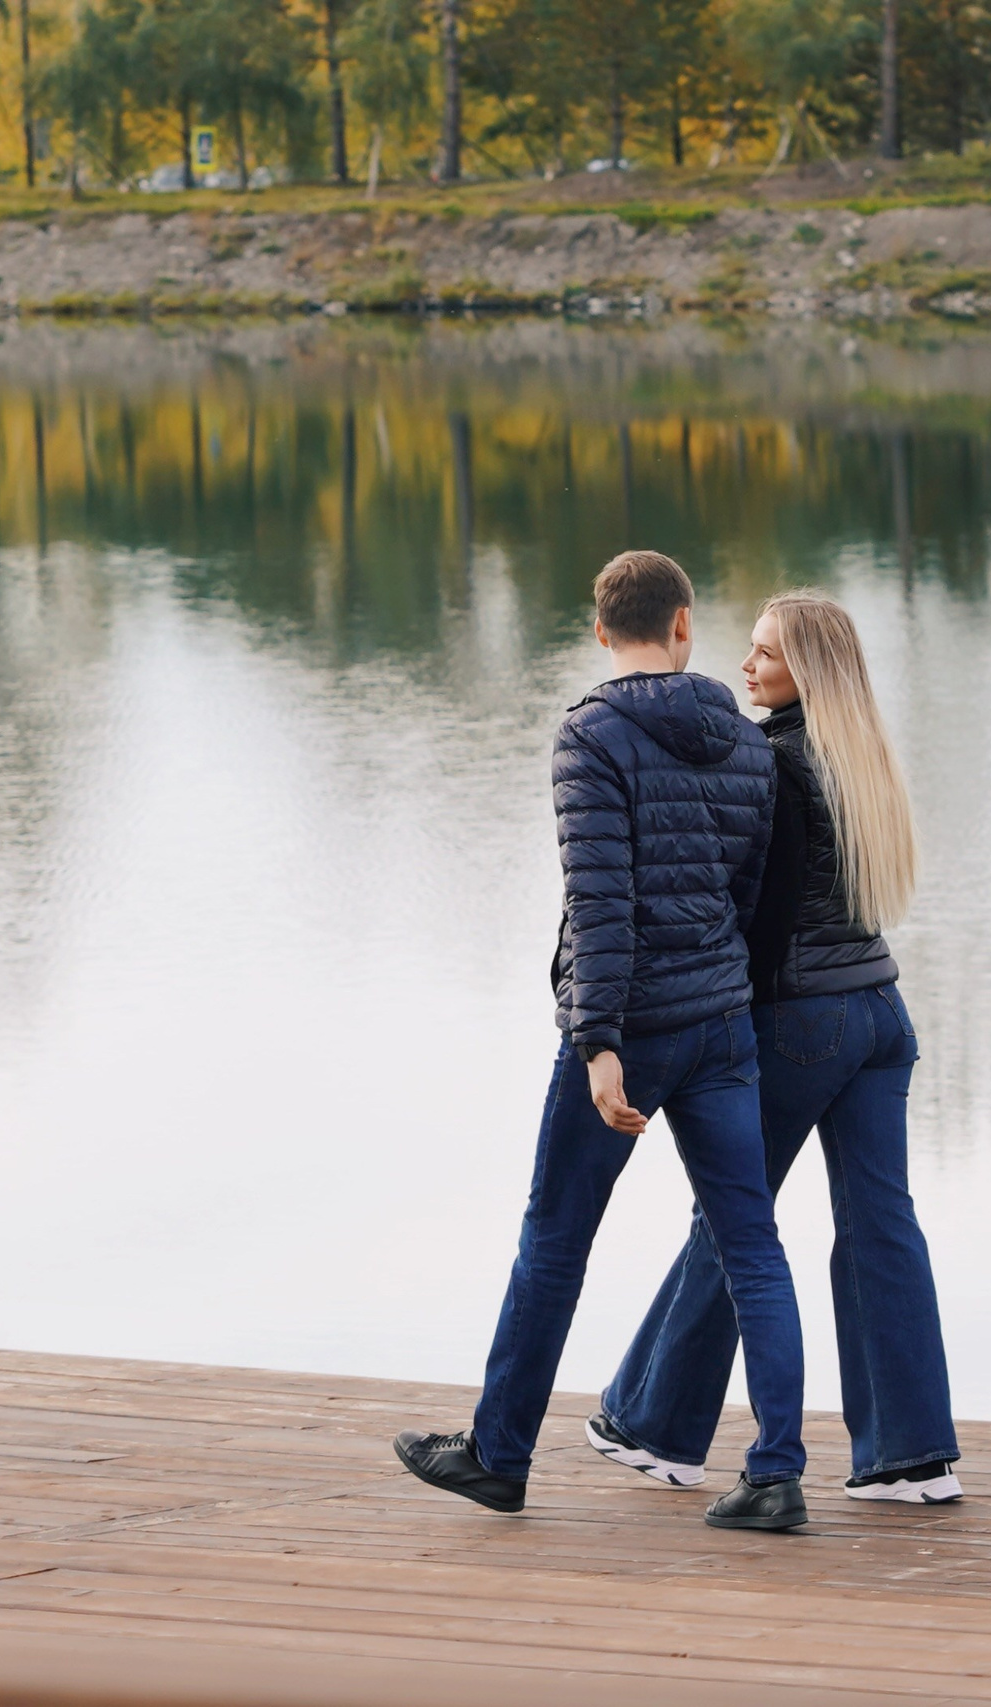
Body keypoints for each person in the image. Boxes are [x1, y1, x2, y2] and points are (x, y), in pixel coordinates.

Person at [393, 551, 815, 1532]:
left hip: (628, 1030)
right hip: (719, 1026)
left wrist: (597, 1043)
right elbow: (751, 898)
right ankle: (778, 1471)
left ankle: (499, 1455)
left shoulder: (591, 735)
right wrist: (722, 995)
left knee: (553, 1242)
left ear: (599, 633)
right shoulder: (750, 746)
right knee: (752, 1243)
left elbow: (599, 901)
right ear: (683, 626)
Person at [583, 590, 962, 1504]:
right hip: (879, 1011)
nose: (746, 667)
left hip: (800, 1022)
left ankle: (656, 1427)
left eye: (765, 656)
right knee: (882, 1226)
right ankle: (910, 1457)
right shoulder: (861, 755)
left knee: (734, 1223)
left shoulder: (775, 762)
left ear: (808, 672)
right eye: (748, 651)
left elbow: (761, 912)